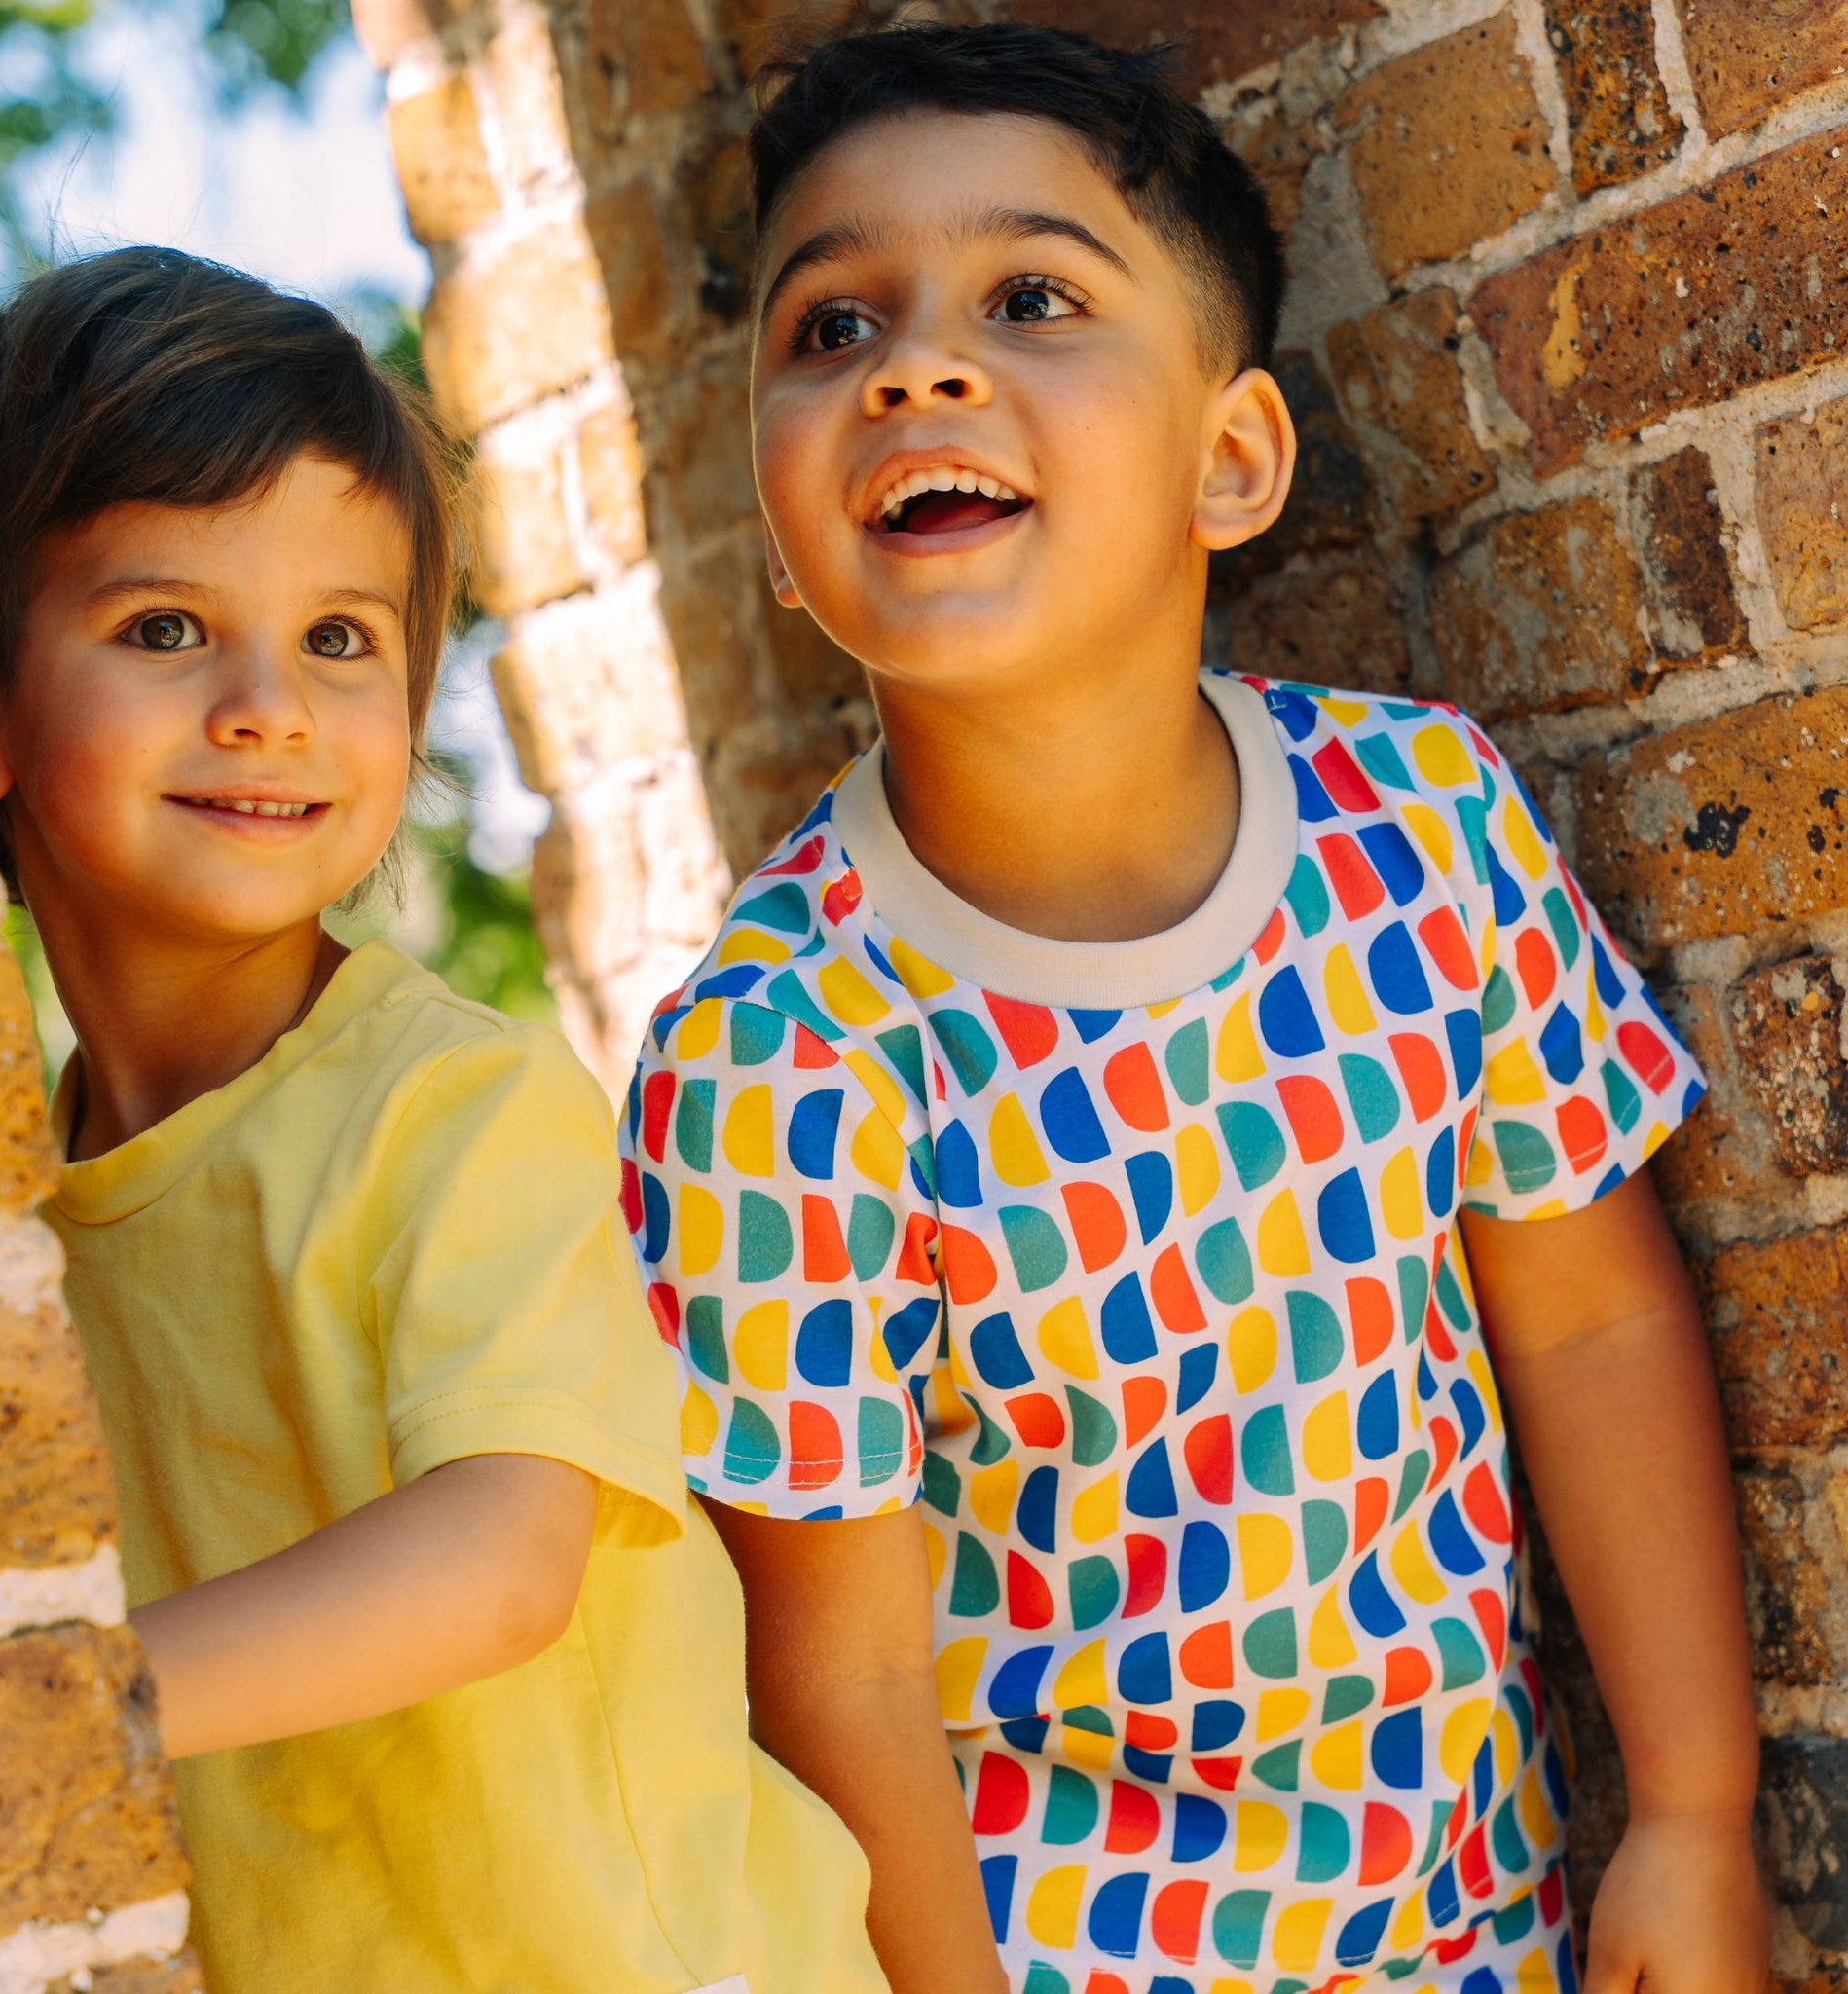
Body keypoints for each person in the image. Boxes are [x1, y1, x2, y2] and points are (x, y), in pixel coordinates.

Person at [621, 23, 1770, 1994]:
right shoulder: (773, 1061)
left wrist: (1687, 1810)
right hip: (1052, 1946)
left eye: (1029, 295)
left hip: (1474, 1930)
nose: (911, 364)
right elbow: (846, 1674)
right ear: (777, 512)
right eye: (830, 330)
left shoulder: (1413, 822)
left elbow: (1584, 1322)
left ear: (1227, 458)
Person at [0, 246, 886, 1994]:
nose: (266, 705)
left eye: (341, 638)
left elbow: (501, 1557)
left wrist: (64, 1705)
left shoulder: (455, 1108)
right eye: (163, 628)